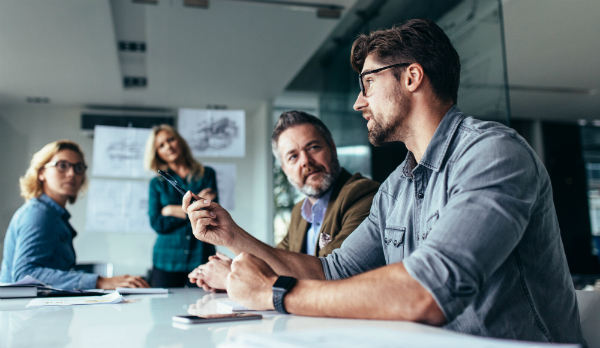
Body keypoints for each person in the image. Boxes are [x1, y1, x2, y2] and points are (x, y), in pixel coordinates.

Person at [183, 18, 585, 344]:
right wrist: (232, 236)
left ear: (412, 77)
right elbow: (331, 271)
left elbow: (427, 290)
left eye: (368, 83)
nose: (359, 101)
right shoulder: (395, 188)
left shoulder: (493, 154)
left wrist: (274, 293)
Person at [188, 111, 379, 291]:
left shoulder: (363, 195)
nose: (305, 161)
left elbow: (331, 275)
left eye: (313, 147)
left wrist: (231, 275)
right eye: (293, 156)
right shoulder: (300, 212)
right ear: (285, 169)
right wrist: (235, 268)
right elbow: (275, 263)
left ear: (332, 148)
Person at [0, 140, 149, 289]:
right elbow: (25, 275)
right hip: (23, 311)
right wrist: (100, 281)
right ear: (41, 173)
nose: (72, 173)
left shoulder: (55, 216)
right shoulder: (38, 213)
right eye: (62, 165)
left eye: (78, 168)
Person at [145, 124, 217, 287]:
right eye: (161, 145)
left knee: (204, 307)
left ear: (180, 141)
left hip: (201, 256)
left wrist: (170, 210)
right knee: (163, 310)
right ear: (157, 153)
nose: (168, 146)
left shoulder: (207, 174)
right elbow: (157, 222)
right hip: (166, 259)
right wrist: (194, 210)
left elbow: (211, 215)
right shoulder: (157, 183)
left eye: (171, 140)